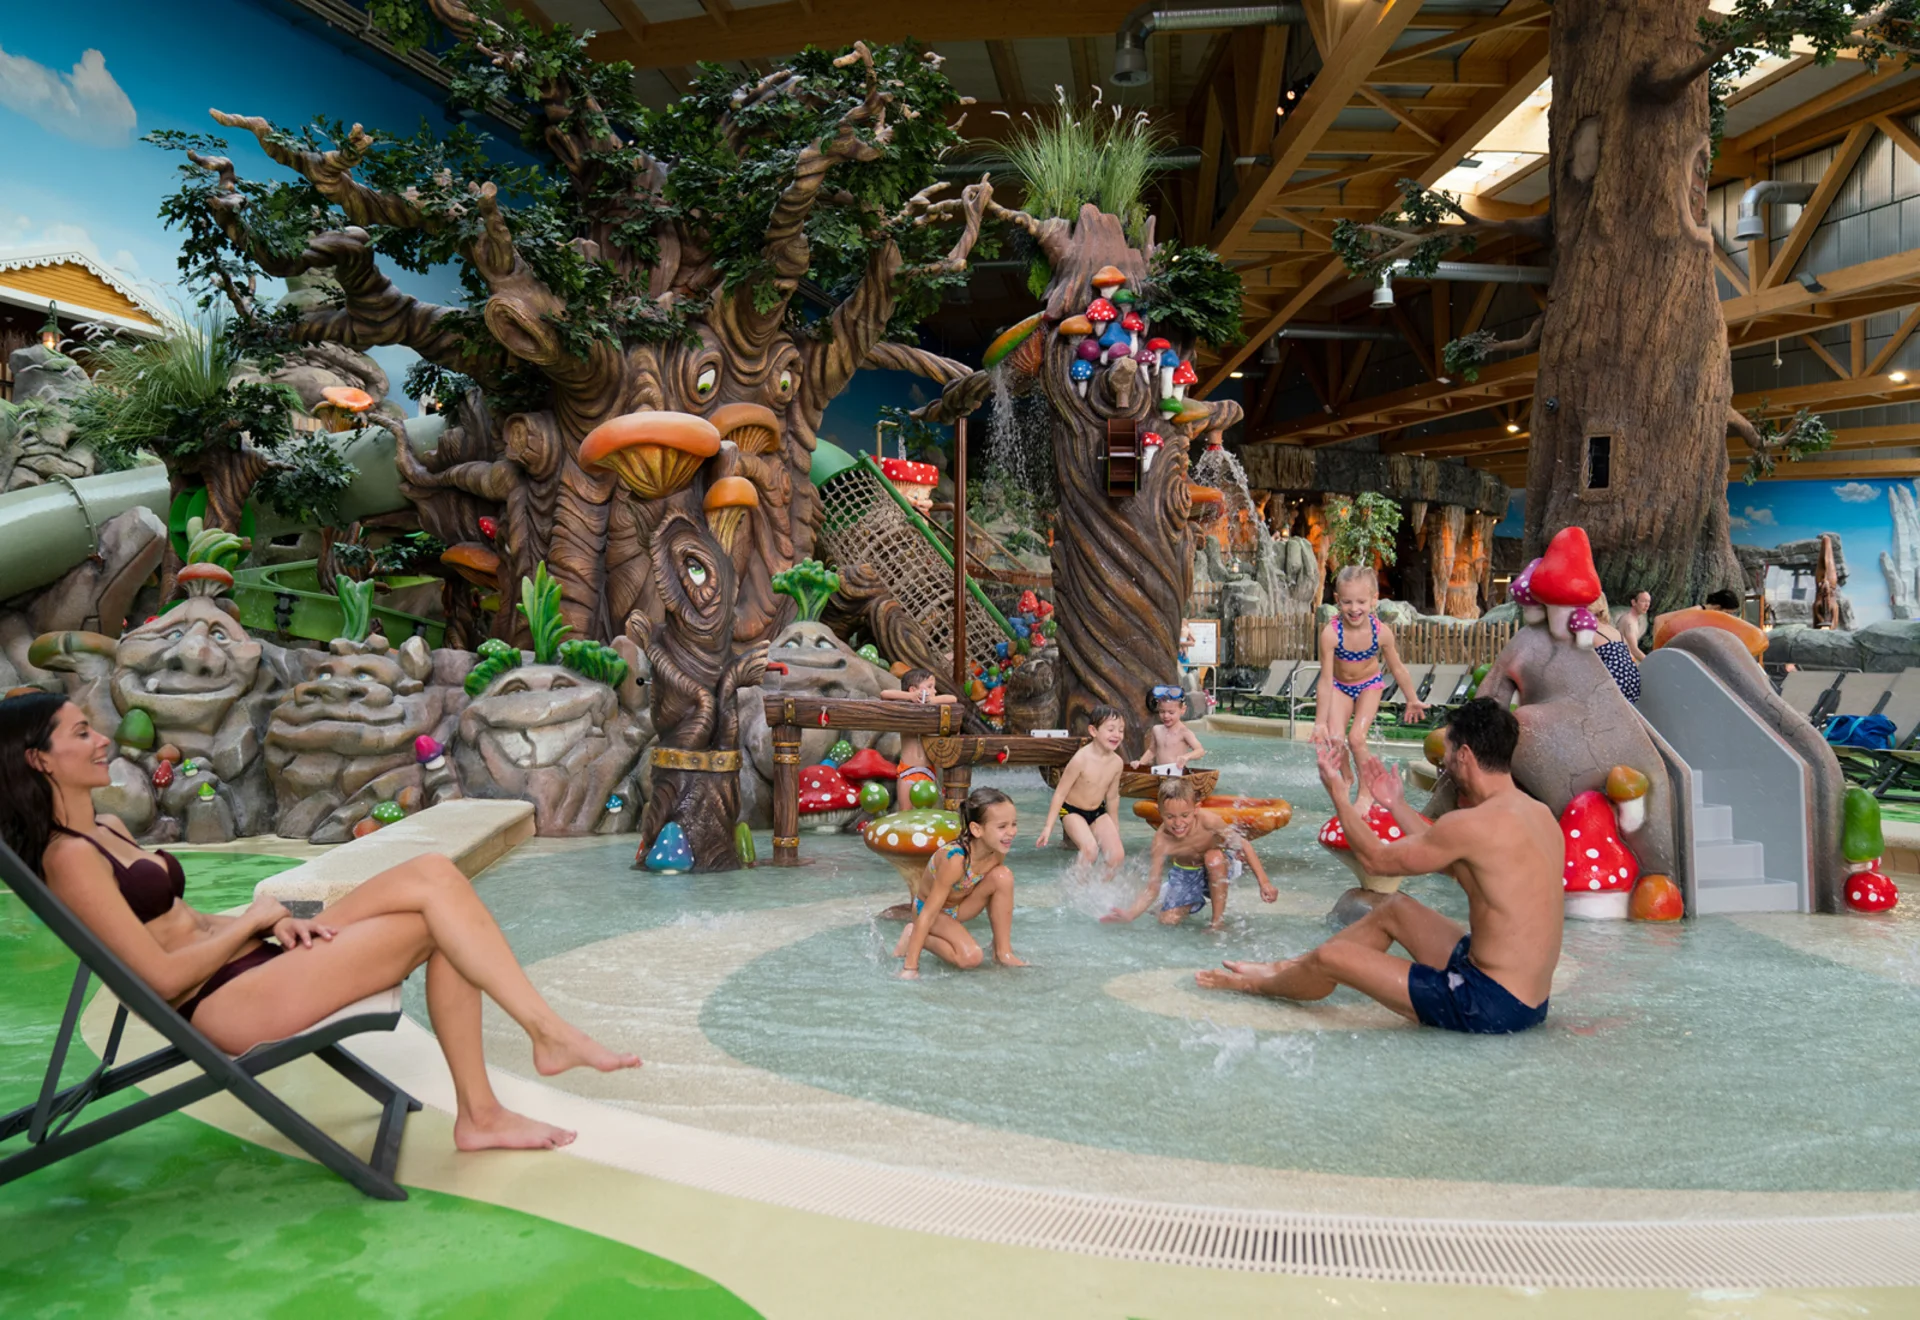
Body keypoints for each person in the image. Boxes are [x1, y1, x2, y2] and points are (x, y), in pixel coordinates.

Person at [0, 692, 640, 1150]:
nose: (102, 740)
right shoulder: (69, 858)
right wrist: (253, 922)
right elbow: (162, 979)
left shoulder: (107, 828)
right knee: (440, 924)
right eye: (80, 733)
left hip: (247, 957)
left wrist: (269, 922)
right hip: (222, 1000)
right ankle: (517, 1070)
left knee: (432, 875)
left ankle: (510, 1079)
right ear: (39, 760)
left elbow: (185, 920)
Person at [1195, 698, 1563, 1035]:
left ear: (1465, 754)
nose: (1445, 763)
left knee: (1332, 958)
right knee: (1394, 908)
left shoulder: (1471, 824)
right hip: (1526, 998)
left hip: (1489, 1005)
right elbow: (1457, 861)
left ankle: (1256, 983)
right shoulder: (1539, 815)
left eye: (1448, 752)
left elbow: (1375, 860)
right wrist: (1395, 804)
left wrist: (1339, 795)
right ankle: (1288, 968)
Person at [1315, 566, 1427, 803]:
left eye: (1361, 602)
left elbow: (1397, 668)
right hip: (1339, 686)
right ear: (1337, 600)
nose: (1354, 608)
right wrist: (1319, 722)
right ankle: (1347, 777)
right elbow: (1325, 680)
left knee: (1356, 738)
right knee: (1335, 738)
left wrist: (1412, 699)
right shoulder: (1330, 634)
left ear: (1374, 599)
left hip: (1369, 685)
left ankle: (1367, 791)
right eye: (1347, 602)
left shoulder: (1381, 633)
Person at [1103, 779, 1276, 929]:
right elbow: (1152, 887)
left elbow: (1243, 844)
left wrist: (1264, 883)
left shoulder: (1208, 821)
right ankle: (1172, 899)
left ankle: (1217, 922)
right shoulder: (1161, 842)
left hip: (1221, 863)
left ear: (1196, 809)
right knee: (1168, 921)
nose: (1178, 823)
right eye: (1170, 816)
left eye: (1184, 815)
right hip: (1186, 873)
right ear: (1159, 812)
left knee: (1213, 859)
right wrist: (1130, 914)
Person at [895, 786, 1026, 977]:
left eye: (1014, 824)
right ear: (976, 829)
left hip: (960, 908)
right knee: (971, 958)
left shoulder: (997, 851)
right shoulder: (955, 859)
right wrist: (910, 967)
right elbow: (929, 913)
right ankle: (912, 934)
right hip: (931, 912)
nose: (1011, 832)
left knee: (1003, 876)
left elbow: (995, 895)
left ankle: (1002, 952)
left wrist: (997, 941)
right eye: (1002, 827)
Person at [1036, 705, 1127, 871]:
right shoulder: (1080, 759)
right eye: (1111, 729)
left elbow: (1112, 797)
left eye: (1121, 730)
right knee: (1090, 850)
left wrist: (1115, 827)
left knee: (1117, 855)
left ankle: (1102, 885)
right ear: (1093, 731)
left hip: (1098, 811)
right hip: (1071, 811)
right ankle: (1077, 884)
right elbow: (1060, 793)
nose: (1117, 734)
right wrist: (1048, 827)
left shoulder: (1117, 763)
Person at [880, 666, 955, 802]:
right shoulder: (904, 706)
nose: (935, 691)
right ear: (913, 690)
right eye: (930, 686)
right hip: (907, 770)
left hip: (928, 770)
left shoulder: (933, 708)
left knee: (929, 812)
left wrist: (932, 700)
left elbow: (953, 699)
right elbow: (885, 694)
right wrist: (910, 697)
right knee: (906, 812)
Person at [1131, 684, 1205, 773]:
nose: (1166, 716)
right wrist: (1140, 763)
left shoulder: (1184, 732)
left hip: (1177, 773)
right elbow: (1152, 750)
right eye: (1162, 711)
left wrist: (1186, 757)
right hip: (1159, 772)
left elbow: (1200, 751)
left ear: (1183, 710)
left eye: (1171, 712)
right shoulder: (1156, 729)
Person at [1588, 593, 1642, 704]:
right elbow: (1631, 657)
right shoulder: (1615, 632)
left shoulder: (1590, 632)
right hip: (1632, 686)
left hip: (1612, 685)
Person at [1613, 589, 1653, 663]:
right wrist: (1651, 663)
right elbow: (1633, 650)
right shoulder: (1629, 622)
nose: (1647, 605)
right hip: (1620, 661)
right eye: (1643, 601)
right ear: (1633, 602)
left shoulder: (1633, 619)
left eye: (1648, 601)